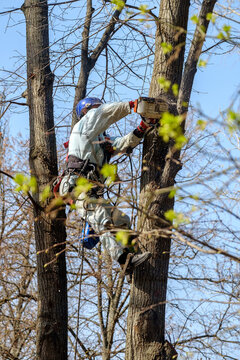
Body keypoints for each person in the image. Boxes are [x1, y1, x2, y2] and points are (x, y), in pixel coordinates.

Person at [60, 97, 156, 274]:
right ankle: (122, 260)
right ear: (86, 111)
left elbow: (122, 143)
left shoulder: (101, 138)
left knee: (122, 221)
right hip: (77, 186)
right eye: (96, 107)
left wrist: (144, 126)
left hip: (90, 189)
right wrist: (133, 106)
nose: (100, 109)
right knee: (101, 217)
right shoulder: (84, 126)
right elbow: (104, 113)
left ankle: (133, 259)